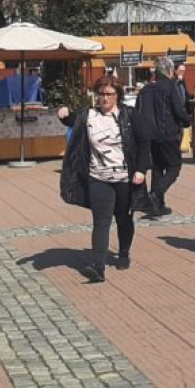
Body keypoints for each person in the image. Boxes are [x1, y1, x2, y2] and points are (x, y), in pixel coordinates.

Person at [58, 76, 151, 283]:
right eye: (101, 94)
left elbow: (144, 143)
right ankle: (98, 266)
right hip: (98, 177)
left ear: (117, 96)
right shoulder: (89, 115)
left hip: (124, 178)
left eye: (109, 94)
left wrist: (141, 170)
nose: (105, 98)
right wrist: (63, 115)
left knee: (123, 218)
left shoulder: (130, 115)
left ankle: (124, 253)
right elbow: (72, 118)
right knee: (101, 221)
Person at [135, 56, 191, 216]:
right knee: (174, 167)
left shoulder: (145, 90)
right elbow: (178, 110)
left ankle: (157, 205)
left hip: (149, 136)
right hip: (168, 134)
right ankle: (155, 194)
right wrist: (187, 121)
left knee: (158, 168)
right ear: (169, 71)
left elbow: (138, 113)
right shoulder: (169, 86)